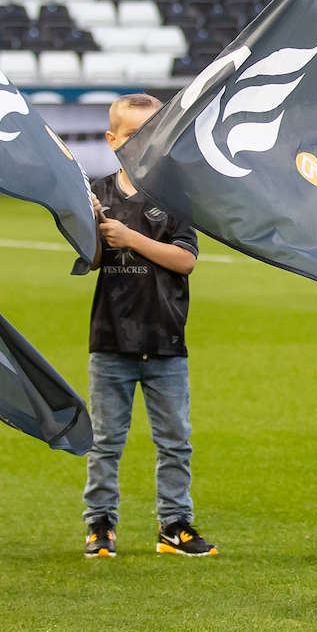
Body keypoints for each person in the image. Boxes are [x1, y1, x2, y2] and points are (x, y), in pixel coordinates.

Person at [81, 93, 211, 560]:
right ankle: (100, 525)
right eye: (132, 134)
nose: (141, 142)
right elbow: (91, 260)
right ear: (113, 140)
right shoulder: (96, 193)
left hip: (165, 339)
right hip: (111, 339)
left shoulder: (176, 194)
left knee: (175, 440)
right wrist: (93, 228)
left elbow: (186, 260)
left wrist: (131, 237)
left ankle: (174, 524)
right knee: (104, 442)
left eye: (150, 133)